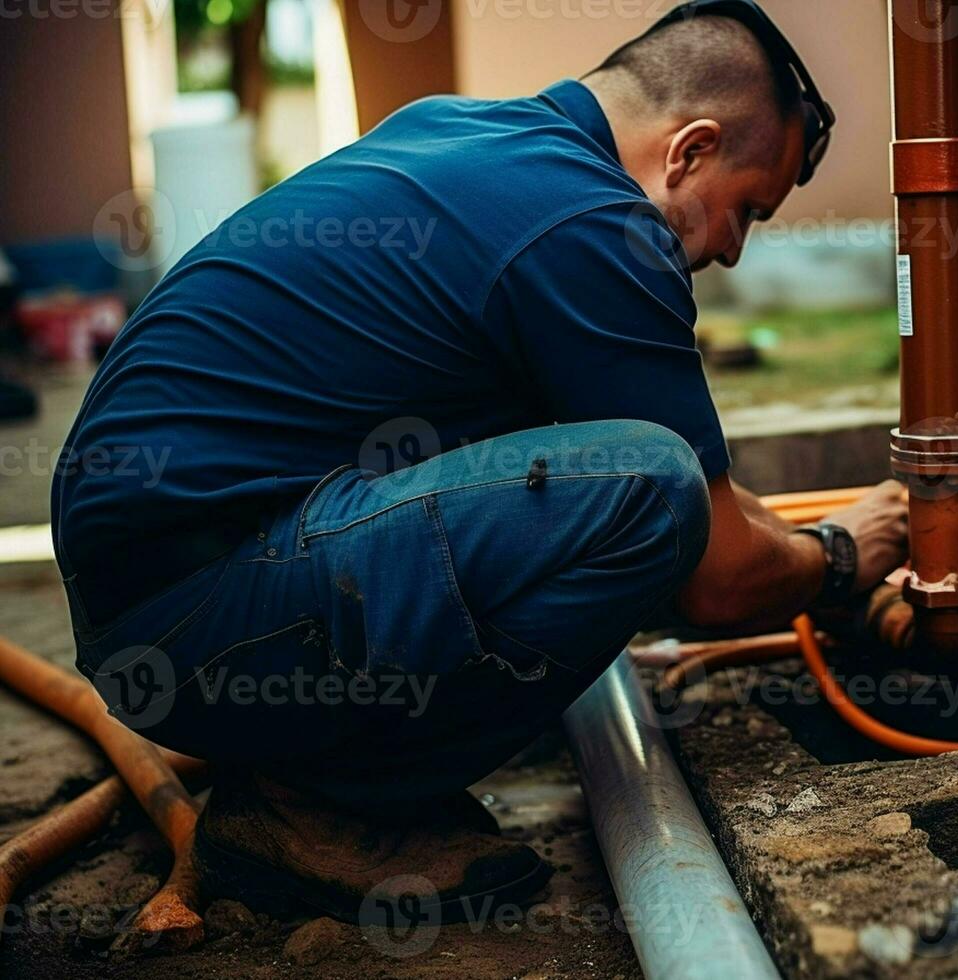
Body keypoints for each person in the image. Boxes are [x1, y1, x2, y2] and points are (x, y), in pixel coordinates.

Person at [50, 0, 908, 922]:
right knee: (647, 493)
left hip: (166, 589)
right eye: (747, 211)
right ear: (689, 151)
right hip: (202, 611)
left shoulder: (471, 137)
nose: (735, 251)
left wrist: (799, 539)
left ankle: (309, 760)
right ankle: (317, 807)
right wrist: (842, 558)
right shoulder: (592, 226)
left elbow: (715, 508)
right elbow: (715, 579)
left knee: (620, 481)